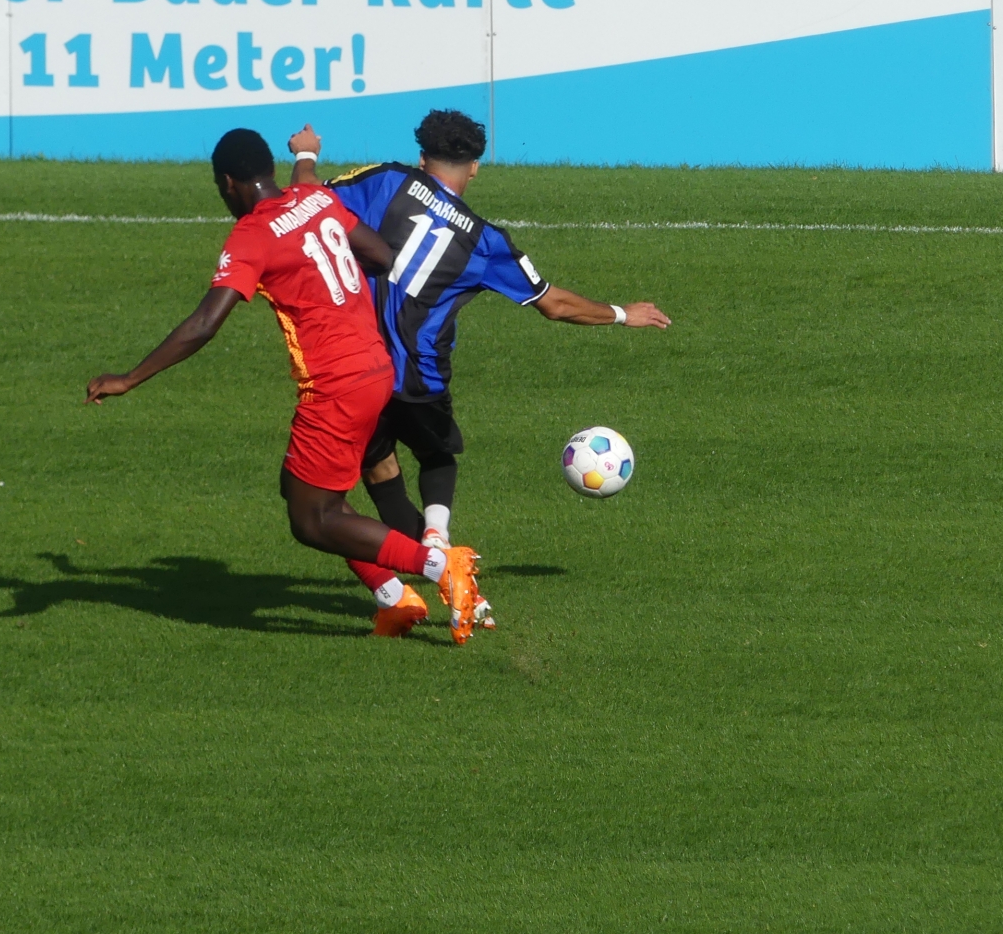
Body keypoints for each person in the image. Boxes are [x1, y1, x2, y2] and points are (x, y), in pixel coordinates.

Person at [86, 128, 486, 642]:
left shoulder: (252, 235)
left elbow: (204, 324)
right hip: (374, 366)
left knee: (310, 520)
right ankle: (394, 599)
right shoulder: (315, 199)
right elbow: (381, 255)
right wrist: (307, 157)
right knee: (301, 490)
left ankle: (440, 567)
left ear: (227, 183)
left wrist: (129, 378)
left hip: (334, 385)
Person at [288, 110, 670, 625]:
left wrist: (305, 154)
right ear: (475, 168)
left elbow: (307, 201)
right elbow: (553, 304)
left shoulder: (384, 181)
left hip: (359, 368)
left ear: (421, 158)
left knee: (377, 472)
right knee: (438, 456)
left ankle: (427, 580)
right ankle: (438, 541)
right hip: (420, 379)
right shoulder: (485, 241)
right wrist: (623, 313)